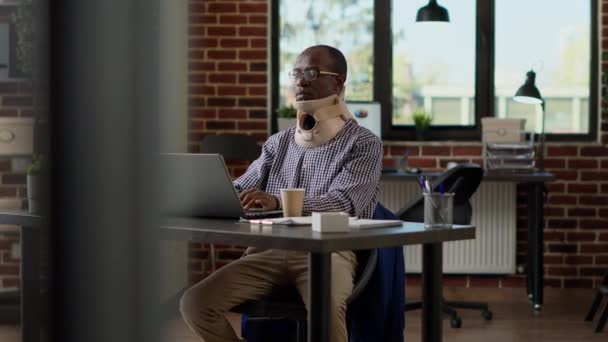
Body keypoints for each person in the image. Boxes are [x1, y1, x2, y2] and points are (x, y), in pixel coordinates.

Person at [180, 45, 383, 342]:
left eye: (311, 73)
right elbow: (240, 187)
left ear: (338, 82)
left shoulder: (363, 143)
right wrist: (213, 195)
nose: (301, 81)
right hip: (268, 250)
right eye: (297, 73)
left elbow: (346, 203)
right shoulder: (279, 143)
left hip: (328, 251)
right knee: (195, 303)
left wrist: (278, 201)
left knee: (325, 312)